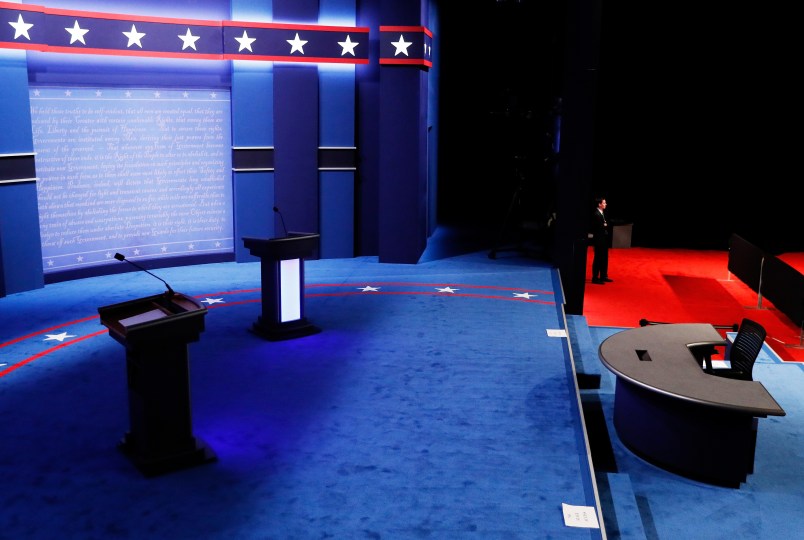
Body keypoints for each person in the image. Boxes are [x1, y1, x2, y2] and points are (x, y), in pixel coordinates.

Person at [590, 197, 613, 284]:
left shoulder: (603, 213)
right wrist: (605, 225)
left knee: (604, 258)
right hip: (598, 241)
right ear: (599, 204)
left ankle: (603, 276)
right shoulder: (596, 214)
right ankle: (595, 278)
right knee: (598, 258)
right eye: (604, 203)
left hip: (604, 240)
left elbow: (607, 224)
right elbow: (600, 227)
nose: (605, 204)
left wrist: (605, 225)